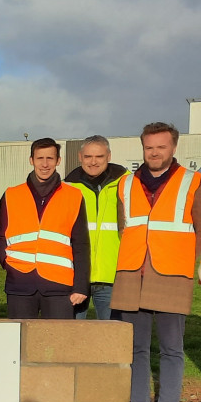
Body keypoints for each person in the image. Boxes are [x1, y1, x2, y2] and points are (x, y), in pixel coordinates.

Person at [110, 122, 201, 402]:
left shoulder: (197, 182)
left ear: (173, 148)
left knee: (172, 349)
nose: (154, 152)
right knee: (136, 348)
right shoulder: (125, 183)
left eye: (161, 146)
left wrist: (187, 260)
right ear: (143, 148)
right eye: (149, 147)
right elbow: (123, 228)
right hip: (132, 273)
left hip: (173, 274)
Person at [0, 138, 89, 318]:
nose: (45, 164)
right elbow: (1, 237)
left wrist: (80, 286)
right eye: (40, 158)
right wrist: (7, 264)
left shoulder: (74, 196)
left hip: (59, 286)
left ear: (58, 161)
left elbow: (81, 244)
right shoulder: (11, 194)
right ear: (31, 160)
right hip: (19, 283)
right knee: (20, 342)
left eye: (50, 158)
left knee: (57, 343)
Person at [65, 135, 126, 321]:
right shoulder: (67, 187)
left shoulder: (127, 184)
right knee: (71, 334)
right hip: (74, 276)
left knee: (110, 335)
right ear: (80, 157)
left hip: (112, 276)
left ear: (108, 156)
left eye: (99, 156)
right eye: (88, 157)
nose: (93, 162)